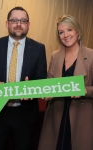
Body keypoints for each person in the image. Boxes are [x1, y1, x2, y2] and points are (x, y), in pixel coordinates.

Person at [0, 6, 47, 150]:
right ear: (7, 23)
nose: (18, 24)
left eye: (23, 20)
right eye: (14, 20)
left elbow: (41, 80)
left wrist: (32, 89)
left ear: (28, 24)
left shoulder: (39, 48)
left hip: (25, 115)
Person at [38, 15, 93, 150]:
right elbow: (49, 83)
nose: (65, 35)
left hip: (81, 117)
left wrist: (86, 90)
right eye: (61, 32)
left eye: (69, 30)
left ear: (77, 32)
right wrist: (45, 92)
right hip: (56, 115)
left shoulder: (91, 56)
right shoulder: (55, 55)